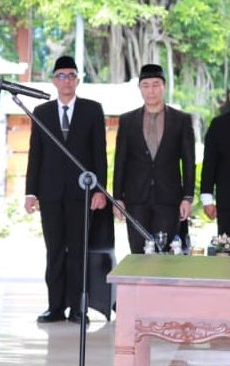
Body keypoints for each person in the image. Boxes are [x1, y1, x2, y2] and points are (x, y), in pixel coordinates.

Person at [24, 55, 110, 323]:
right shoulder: (42, 112)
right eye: (61, 76)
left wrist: (100, 190)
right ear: (53, 80)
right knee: (55, 251)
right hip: (50, 194)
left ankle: (77, 307)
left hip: (82, 194)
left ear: (78, 80)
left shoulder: (92, 110)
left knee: (78, 251)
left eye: (71, 76)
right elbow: (35, 155)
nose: (66, 81)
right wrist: (30, 192)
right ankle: (55, 306)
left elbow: (100, 154)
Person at [112, 63, 195, 253]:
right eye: (146, 85)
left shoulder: (181, 120)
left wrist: (187, 197)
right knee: (138, 253)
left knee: (166, 254)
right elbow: (120, 161)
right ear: (140, 88)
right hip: (135, 199)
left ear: (164, 86)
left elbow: (189, 161)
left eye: (156, 84)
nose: (151, 91)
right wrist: (117, 197)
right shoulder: (127, 120)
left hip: (169, 199)